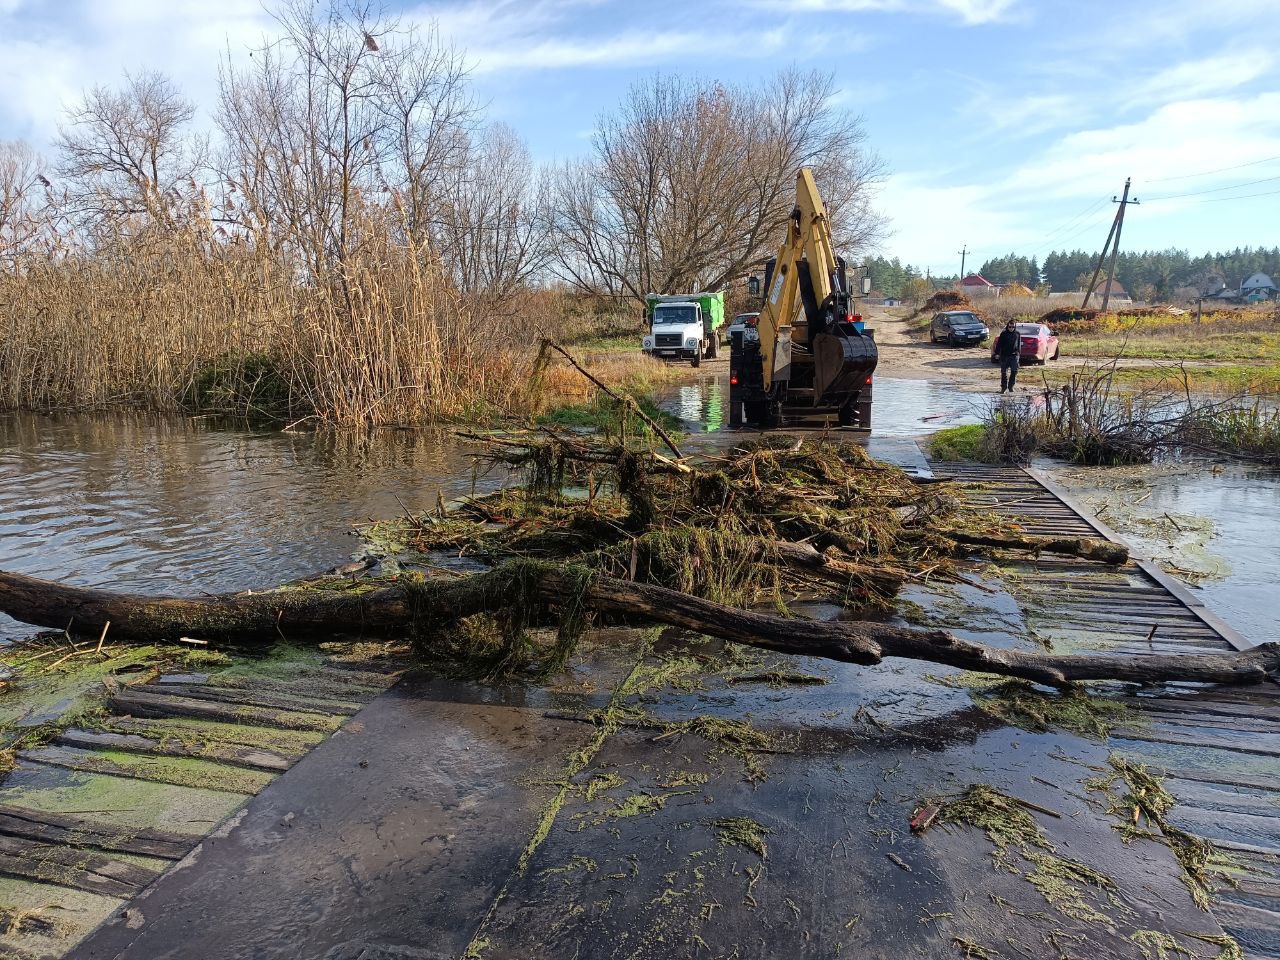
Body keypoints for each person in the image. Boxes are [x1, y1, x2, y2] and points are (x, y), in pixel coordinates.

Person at [995, 320, 1021, 393]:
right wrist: (997, 353)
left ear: (1015, 327)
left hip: (1014, 356)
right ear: (1007, 326)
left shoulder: (1017, 334)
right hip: (1004, 356)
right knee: (1004, 372)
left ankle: (1011, 387)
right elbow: (999, 344)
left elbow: (1019, 345)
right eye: (1010, 327)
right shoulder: (1003, 334)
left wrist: (1019, 355)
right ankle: (1003, 387)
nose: (1011, 328)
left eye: (1013, 327)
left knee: (1014, 372)